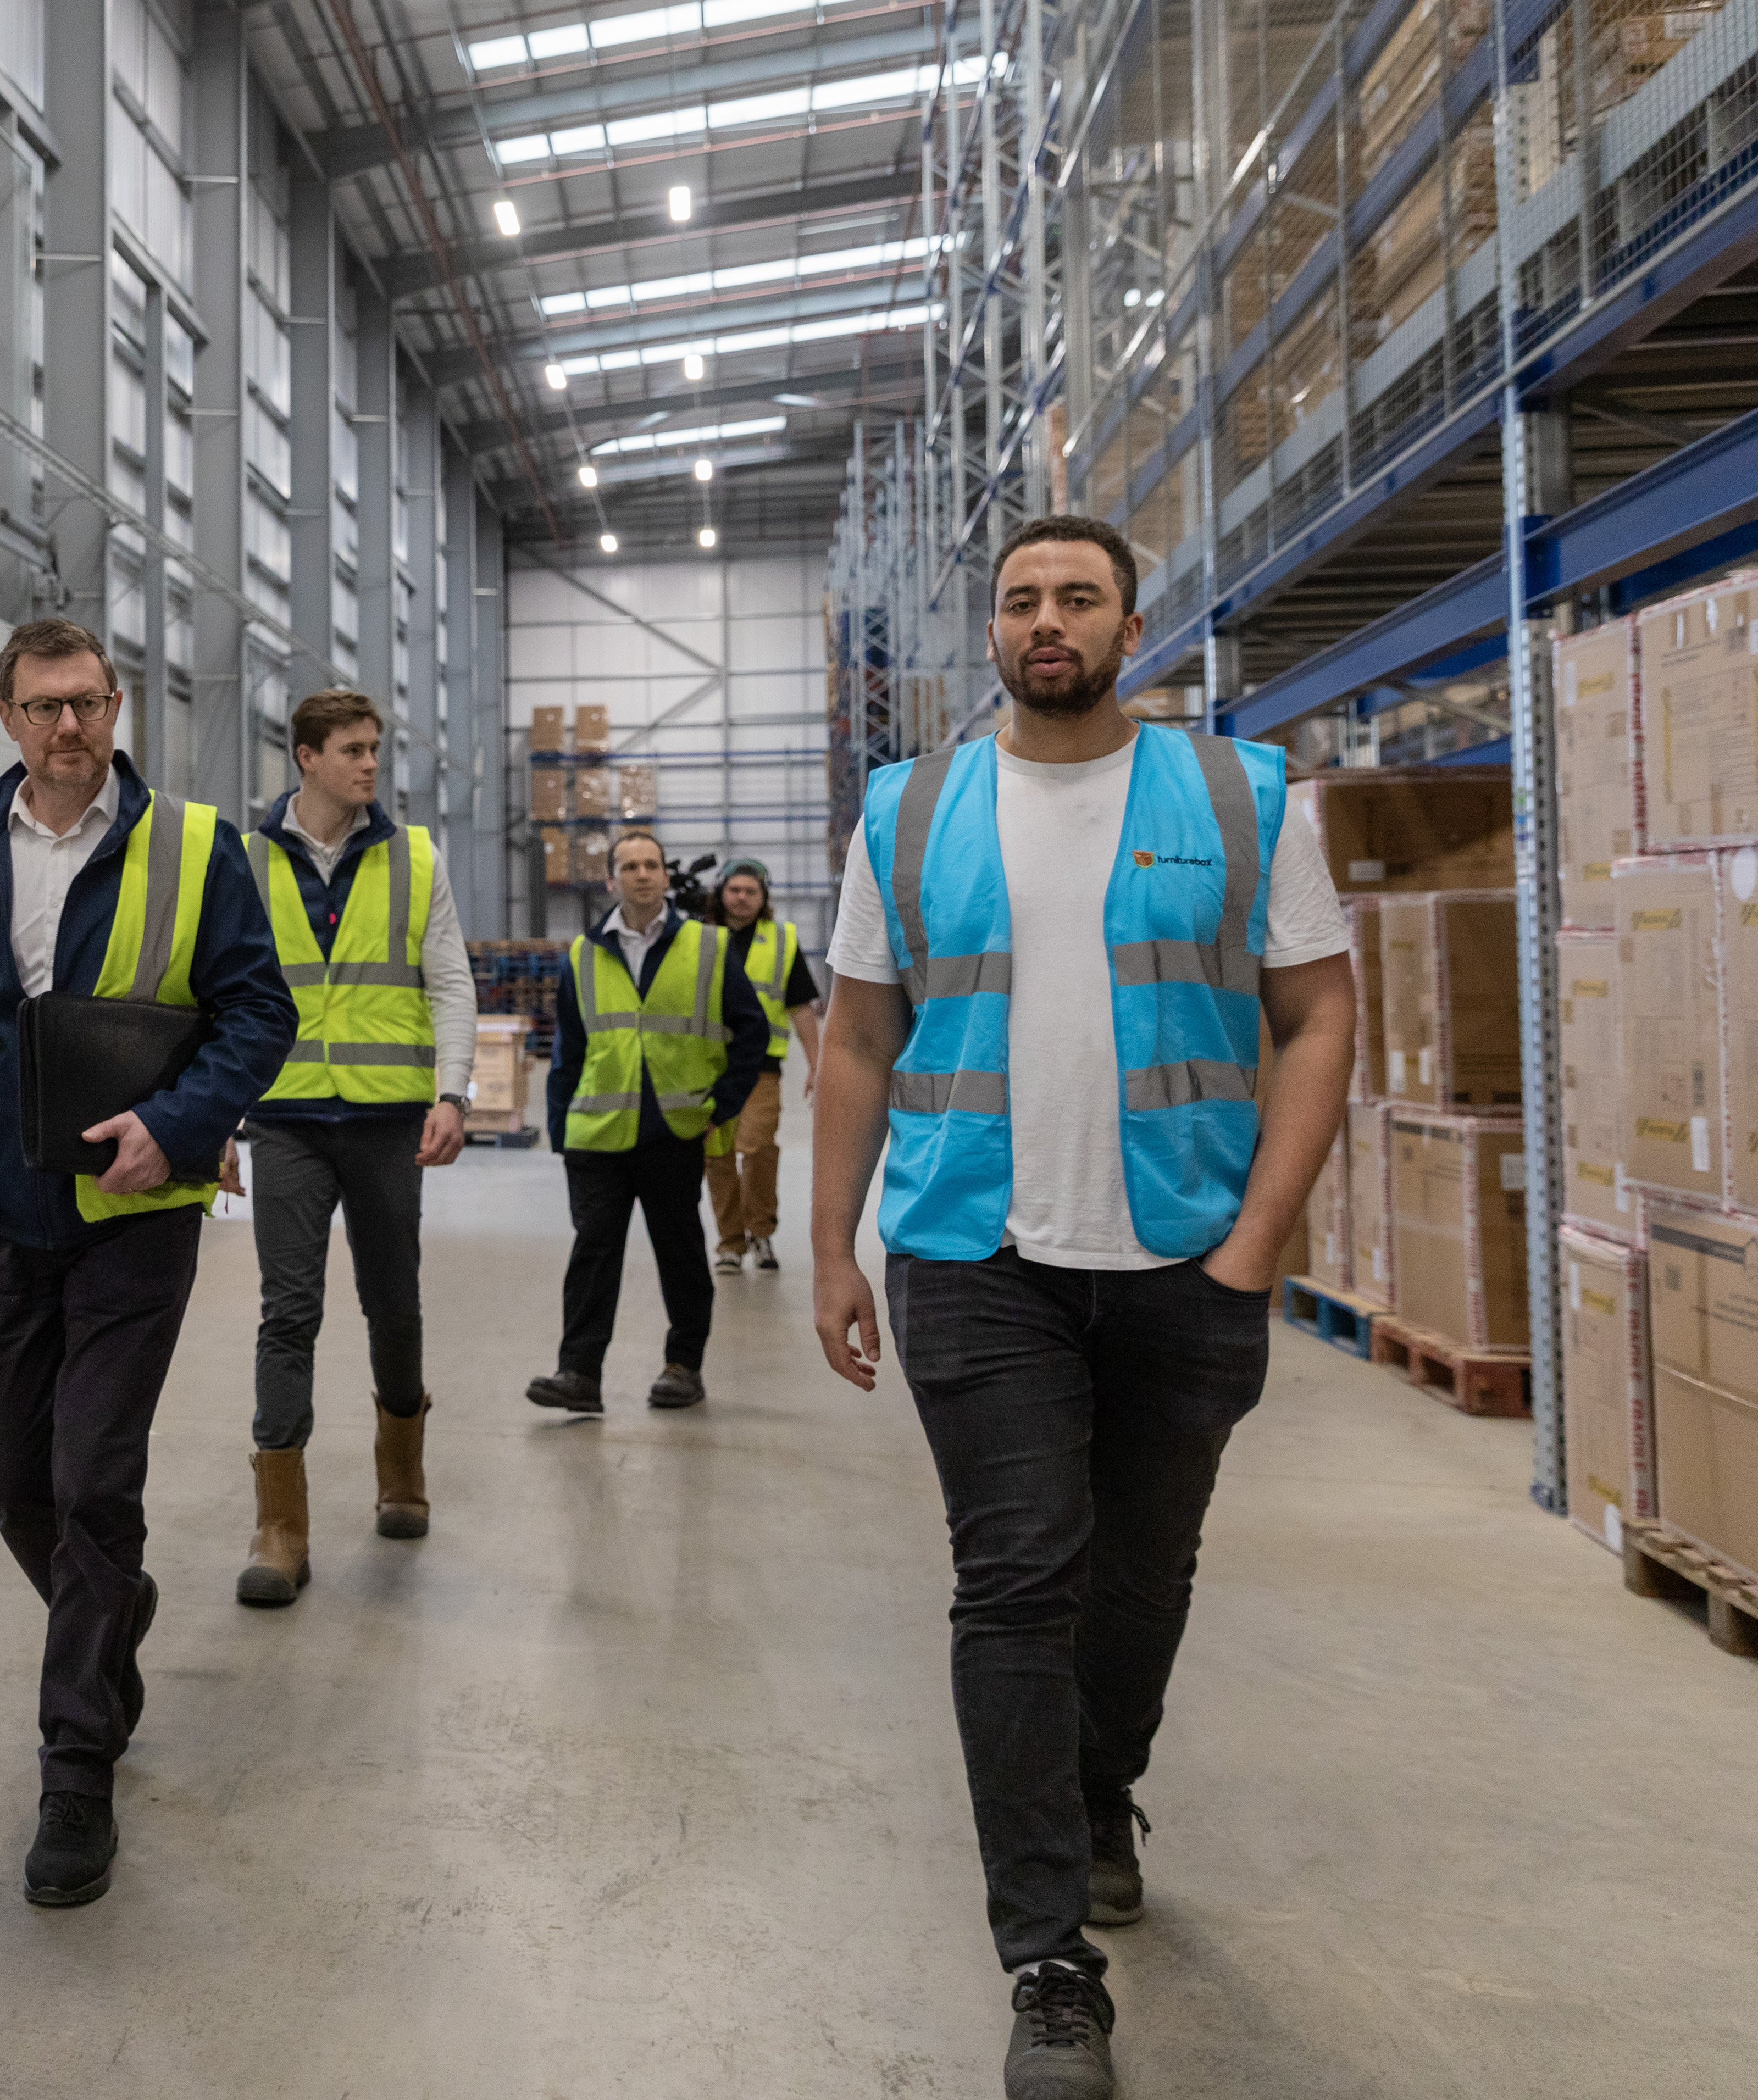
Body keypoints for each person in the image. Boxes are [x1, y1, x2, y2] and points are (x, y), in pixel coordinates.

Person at [809, 516, 1351, 2100]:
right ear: (992, 629)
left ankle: (1101, 1785)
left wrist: (1257, 1238)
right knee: (1014, 1578)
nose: (1043, 621)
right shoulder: (907, 811)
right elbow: (855, 1039)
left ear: (1129, 622)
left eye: (1075, 598)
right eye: (1019, 601)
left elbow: (1315, 1017)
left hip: (1187, 1256)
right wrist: (833, 1242)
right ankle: (1046, 1958)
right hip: (974, 1255)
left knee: (1138, 1574)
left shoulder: (1241, 796)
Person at [0, 616, 293, 1909]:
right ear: (9, 721)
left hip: (134, 1216)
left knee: (95, 1479)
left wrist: (180, 1125)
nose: (69, 728)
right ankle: (111, 1616)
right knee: (14, 1482)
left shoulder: (196, 849)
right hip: (3, 1218)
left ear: (118, 710)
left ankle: (76, 1769)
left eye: (90, 704)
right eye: (45, 707)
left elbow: (259, 1014)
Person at [234, 687, 479, 1608]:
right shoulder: (246, 858)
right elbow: (214, 994)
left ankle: (401, 1472)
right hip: (285, 1116)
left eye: (374, 747)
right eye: (350, 749)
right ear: (305, 756)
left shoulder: (414, 855)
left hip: (385, 1118)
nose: (369, 763)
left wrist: (453, 1092)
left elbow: (449, 980)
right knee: (286, 1311)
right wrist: (212, 1119)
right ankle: (279, 1525)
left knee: (393, 1303)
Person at [523, 829, 769, 1416]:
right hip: (596, 1135)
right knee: (594, 1253)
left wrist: (721, 1106)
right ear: (611, 880)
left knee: (680, 1251)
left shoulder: (708, 948)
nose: (642, 874)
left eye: (651, 865)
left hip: (674, 1131)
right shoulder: (583, 955)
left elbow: (752, 1031)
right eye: (629, 866)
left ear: (664, 877)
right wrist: (561, 1130)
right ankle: (579, 1373)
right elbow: (569, 1052)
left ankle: (684, 1365)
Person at [704, 858, 821, 1275]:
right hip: (707, 1066)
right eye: (734, 890)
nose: (741, 898)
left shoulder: (781, 940)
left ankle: (760, 1232)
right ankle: (730, 1243)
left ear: (763, 897)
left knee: (756, 1148)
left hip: (760, 1066)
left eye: (750, 891)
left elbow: (800, 1007)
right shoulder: (698, 938)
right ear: (720, 894)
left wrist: (816, 1064)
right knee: (717, 1156)